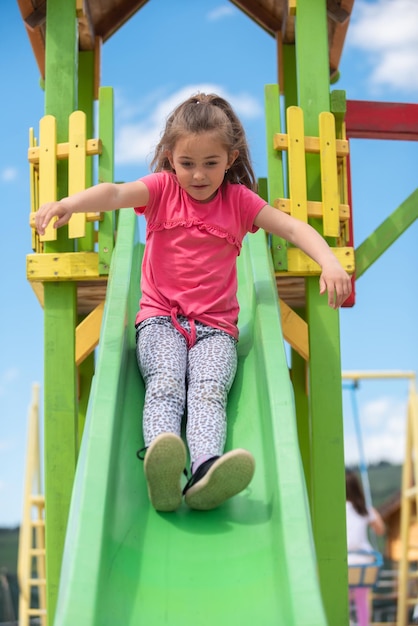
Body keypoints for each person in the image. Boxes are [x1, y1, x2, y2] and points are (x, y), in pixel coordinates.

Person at [35, 93, 352, 513]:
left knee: (207, 390)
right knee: (166, 383)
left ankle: (204, 470)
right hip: (161, 320)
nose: (198, 175)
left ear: (230, 157)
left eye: (211, 163)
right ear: (170, 157)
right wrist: (67, 206)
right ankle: (161, 463)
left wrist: (329, 261)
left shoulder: (238, 201)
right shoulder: (163, 190)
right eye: (187, 163)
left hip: (217, 328)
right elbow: (113, 193)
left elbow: (292, 229)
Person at [346, 469, 385, 626]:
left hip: (346, 561)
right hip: (364, 562)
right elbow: (380, 529)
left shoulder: (336, 509)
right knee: (362, 598)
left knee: (344, 596)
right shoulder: (364, 509)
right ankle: (363, 624)